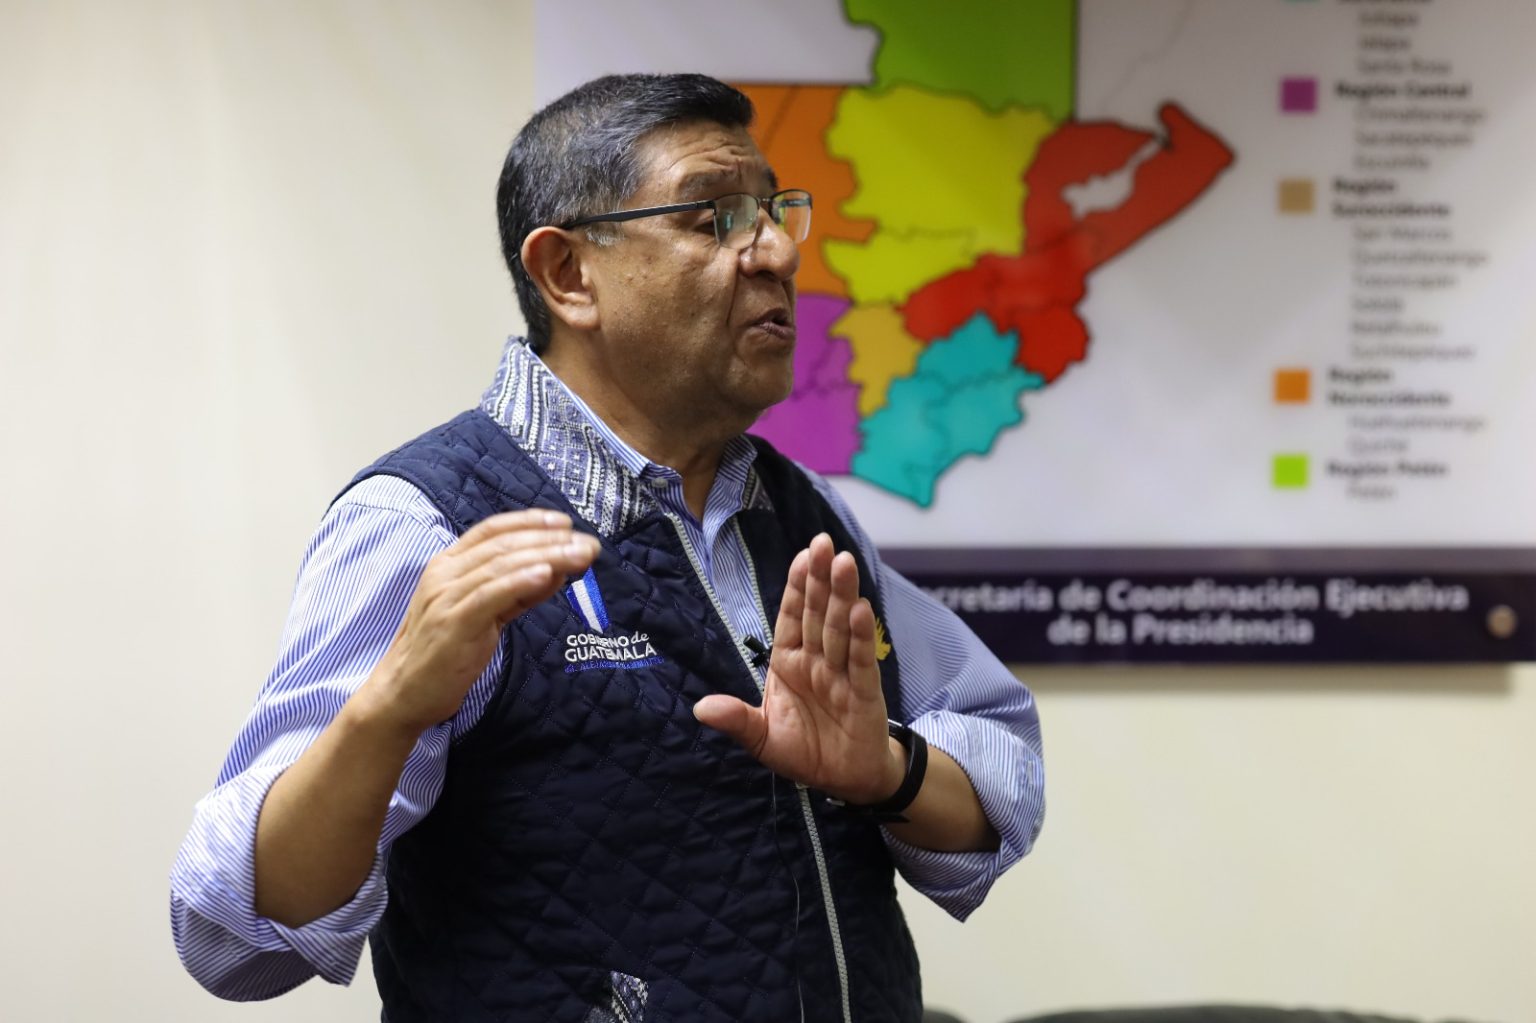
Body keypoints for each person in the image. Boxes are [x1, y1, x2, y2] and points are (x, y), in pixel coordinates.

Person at [171, 72, 1045, 1023]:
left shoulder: (799, 508)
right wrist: (386, 712)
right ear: (567, 274)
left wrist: (887, 770)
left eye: (775, 210)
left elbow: (998, 770)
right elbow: (234, 931)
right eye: (716, 217)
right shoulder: (423, 522)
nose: (779, 250)